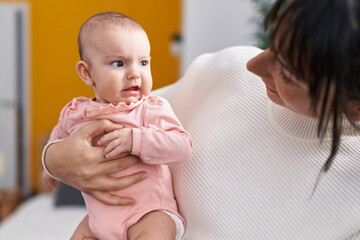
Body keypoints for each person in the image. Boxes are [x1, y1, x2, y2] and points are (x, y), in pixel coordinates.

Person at [42, 0, 360, 239]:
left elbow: (174, 142)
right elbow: (86, 128)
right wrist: (53, 159)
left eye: (287, 72)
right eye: (274, 42)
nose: (253, 65)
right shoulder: (224, 71)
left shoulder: (351, 200)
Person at [42, 11, 192, 240]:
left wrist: (136, 139)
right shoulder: (74, 112)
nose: (135, 74)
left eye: (143, 62)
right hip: (98, 219)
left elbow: (182, 146)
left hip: (148, 212)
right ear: (87, 73)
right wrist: (50, 167)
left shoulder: (149, 108)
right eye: (119, 63)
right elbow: (58, 140)